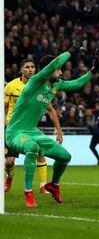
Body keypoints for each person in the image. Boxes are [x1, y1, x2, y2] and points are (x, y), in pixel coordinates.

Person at [5, 38, 99, 207]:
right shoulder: (36, 81)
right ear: (49, 70)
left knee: (65, 157)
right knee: (32, 148)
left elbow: (76, 84)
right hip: (15, 132)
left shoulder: (55, 85)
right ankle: (28, 193)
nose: (60, 71)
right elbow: (55, 62)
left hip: (32, 131)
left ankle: (54, 185)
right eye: (58, 69)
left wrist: (93, 71)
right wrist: (71, 50)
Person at [4, 58, 63, 193]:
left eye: (32, 67)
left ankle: (43, 185)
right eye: (27, 67)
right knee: (10, 162)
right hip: (13, 128)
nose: (30, 69)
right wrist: (6, 122)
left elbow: (50, 109)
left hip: (30, 127)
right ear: (21, 70)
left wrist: (58, 129)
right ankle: (10, 175)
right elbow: (4, 107)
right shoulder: (11, 86)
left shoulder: (40, 86)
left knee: (39, 152)